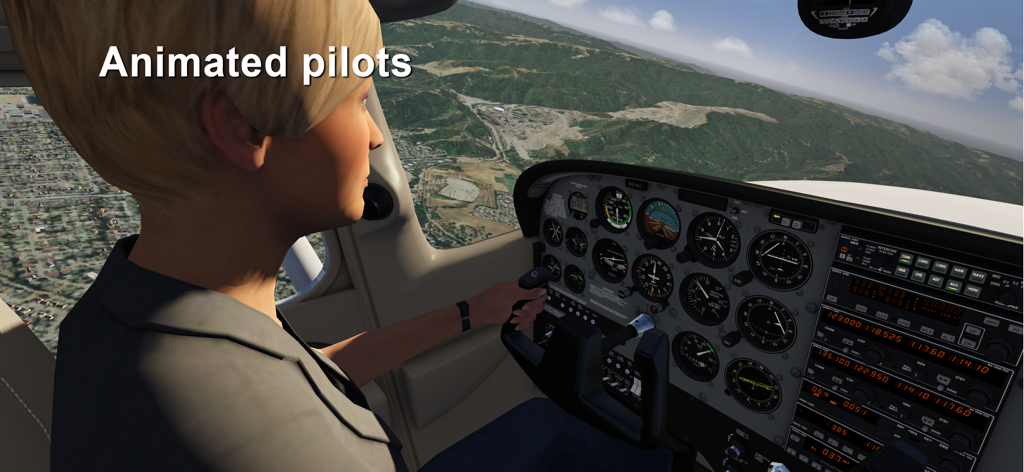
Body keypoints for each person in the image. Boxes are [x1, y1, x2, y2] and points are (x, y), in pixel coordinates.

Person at [2, 0, 675, 470]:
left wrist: (475, 311)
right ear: (244, 130)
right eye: (356, 99)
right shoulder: (295, 457)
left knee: (548, 426)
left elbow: (304, 377)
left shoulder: (121, 309)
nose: (377, 134)